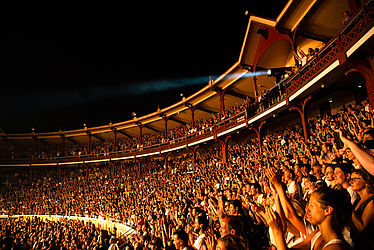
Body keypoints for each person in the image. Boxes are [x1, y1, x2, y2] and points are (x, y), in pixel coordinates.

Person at [266, 187, 352, 250]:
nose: (307, 209)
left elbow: (290, 215)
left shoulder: (335, 247)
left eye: (311, 205)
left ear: (327, 210)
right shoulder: (315, 235)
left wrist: (277, 232)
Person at [350, 169, 374, 249]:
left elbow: (363, 229)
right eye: (351, 179)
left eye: (354, 179)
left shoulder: (372, 201)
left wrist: (350, 210)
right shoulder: (358, 200)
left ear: (366, 180)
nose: (351, 182)